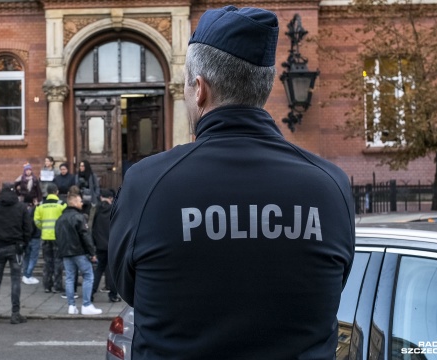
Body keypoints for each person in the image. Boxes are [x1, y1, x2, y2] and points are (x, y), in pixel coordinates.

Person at [109, 6, 355, 360]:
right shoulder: (330, 186)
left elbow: (130, 289)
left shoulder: (147, 185)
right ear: (264, 86)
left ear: (200, 89)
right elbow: (334, 282)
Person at [0, 183, 31, 324]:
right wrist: (24, 243)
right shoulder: (21, 207)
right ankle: (15, 314)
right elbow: (28, 228)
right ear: (15, 191)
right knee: (15, 280)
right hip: (16, 248)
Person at [55, 193, 102, 315]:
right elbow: (85, 236)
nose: (82, 203)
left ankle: (71, 306)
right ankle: (86, 304)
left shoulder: (60, 218)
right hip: (79, 252)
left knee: (70, 278)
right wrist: (92, 253)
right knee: (88, 276)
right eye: (80, 201)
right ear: (74, 202)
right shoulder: (78, 217)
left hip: (66, 252)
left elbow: (57, 236)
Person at [34, 183, 66, 293]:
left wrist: (43, 227)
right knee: (58, 262)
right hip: (58, 237)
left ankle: (47, 285)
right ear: (56, 192)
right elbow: (65, 220)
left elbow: (37, 221)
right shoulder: (61, 204)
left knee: (47, 262)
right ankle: (57, 286)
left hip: (46, 237)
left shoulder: (41, 205)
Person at [90, 188, 120, 302]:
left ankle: (91, 293)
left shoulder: (96, 209)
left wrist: (94, 243)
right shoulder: (115, 209)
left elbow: (91, 227)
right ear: (111, 199)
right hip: (112, 245)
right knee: (112, 271)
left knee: (98, 269)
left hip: (99, 245)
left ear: (102, 197)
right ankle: (113, 295)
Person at [21, 197, 41, 285]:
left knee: (27, 257)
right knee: (33, 257)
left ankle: (25, 274)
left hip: (27, 237)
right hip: (35, 237)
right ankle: (28, 275)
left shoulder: (25, 212)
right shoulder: (37, 211)